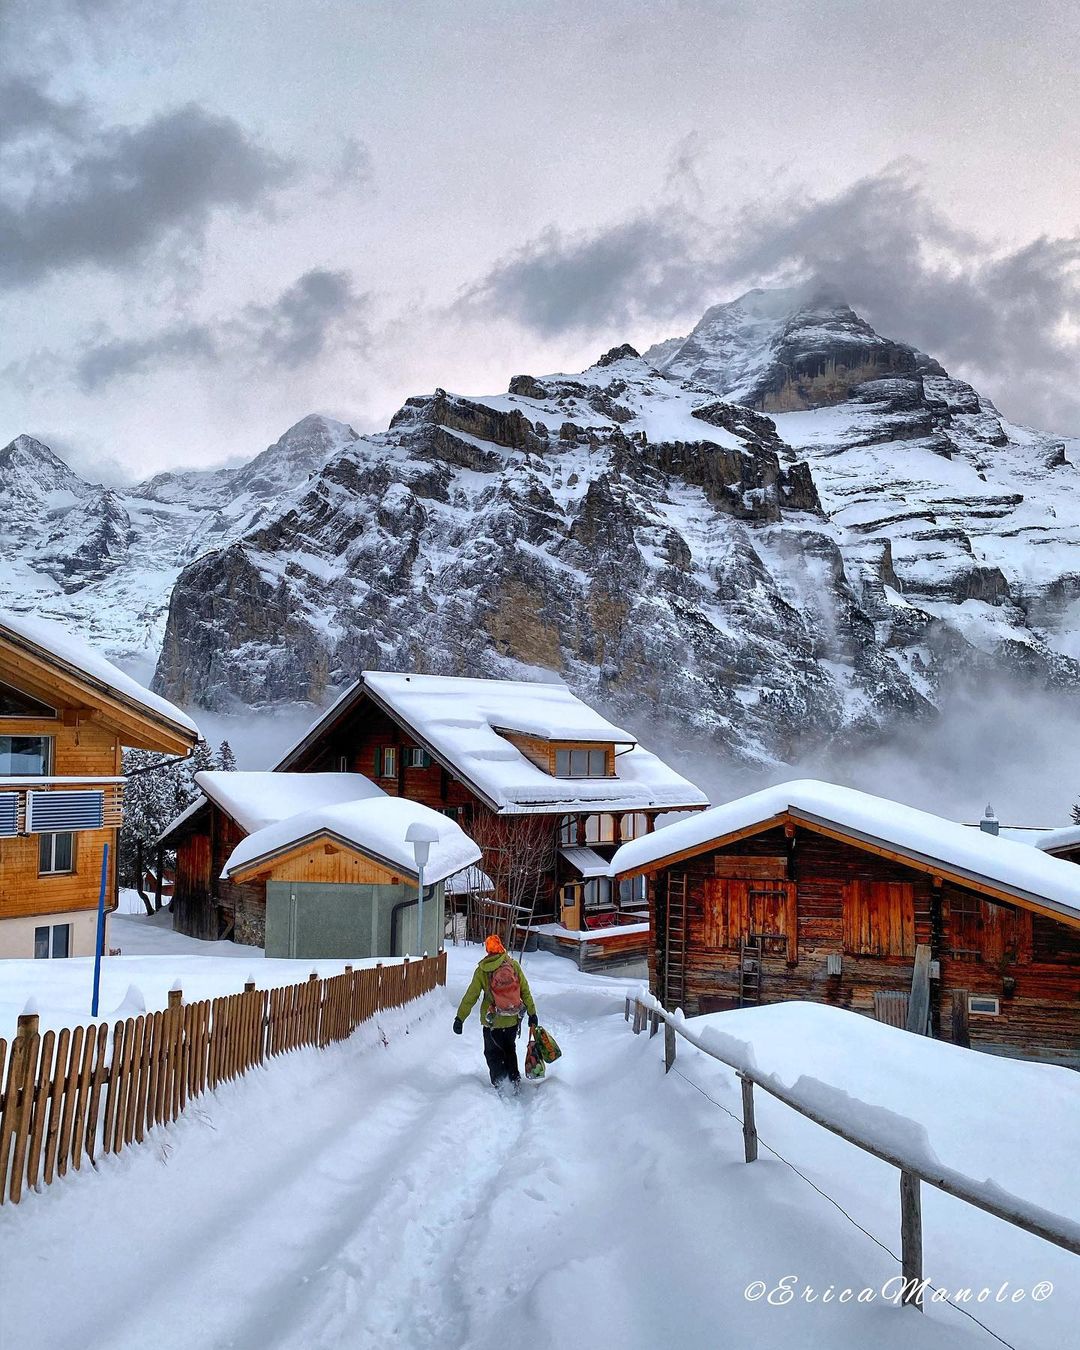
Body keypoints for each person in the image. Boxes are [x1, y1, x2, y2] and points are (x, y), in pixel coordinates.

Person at [453, 935, 538, 1088]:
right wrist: (532, 1013)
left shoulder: (482, 970)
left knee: (493, 1053)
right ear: (501, 947)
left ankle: (500, 1083)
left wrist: (460, 1018)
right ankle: (514, 1080)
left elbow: (471, 996)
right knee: (509, 1049)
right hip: (512, 1019)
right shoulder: (513, 966)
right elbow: (525, 991)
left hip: (492, 1021)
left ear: (487, 950)